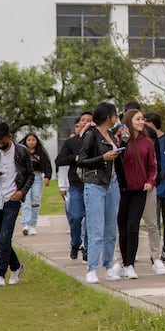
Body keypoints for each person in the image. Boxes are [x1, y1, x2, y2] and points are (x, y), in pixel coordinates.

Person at [0, 122, 35, 286]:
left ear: (10, 137)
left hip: (13, 199)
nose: (0, 145)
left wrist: (22, 192)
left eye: (2, 142)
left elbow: (30, 175)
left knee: (5, 237)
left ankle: (0, 273)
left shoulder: (22, 152)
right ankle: (16, 266)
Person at [78, 101, 124, 284]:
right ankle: (92, 268)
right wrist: (102, 158)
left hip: (112, 183)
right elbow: (81, 160)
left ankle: (108, 265)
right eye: (114, 115)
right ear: (108, 117)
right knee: (96, 229)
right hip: (95, 184)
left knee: (111, 229)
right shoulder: (91, 135)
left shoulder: (111, 135)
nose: (116, 118)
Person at [115, 109, 159, 279]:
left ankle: (130, 265)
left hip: (140, 191)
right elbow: (116, 161)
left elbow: (153, 167)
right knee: (122, 227)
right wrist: (123, 142)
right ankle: (122, 262)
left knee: (133, 226)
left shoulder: (147, 142)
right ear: (128, 121)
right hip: (121, 190)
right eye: (138, 119)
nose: (142, 122)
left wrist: (150, 181)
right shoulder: (119, 141)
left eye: (142, 119)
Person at [55, 111, 92, 261]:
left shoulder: (97, 140)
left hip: (93, 185)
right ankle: (75, 242)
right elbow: (59, 161)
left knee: (90, 220)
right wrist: (74, 158)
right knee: (75, 217)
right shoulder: (71, 142)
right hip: (76, 185)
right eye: (83, 120)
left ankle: (88, 250)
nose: (85, 123)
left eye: (89, 120)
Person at [144, 111, 165, 264]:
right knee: (153, 222)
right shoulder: (146, 142)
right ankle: (155, 252)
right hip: (153, 188)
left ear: (151, 124)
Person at [19, 132, 52, 236]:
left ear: (37, 141)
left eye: (33, 140)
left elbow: (47, 165)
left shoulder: (40, 153)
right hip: (25, 178)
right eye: (29, 140)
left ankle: (33, 225)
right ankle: (25, 224)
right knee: (26, 201)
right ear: (25, 141)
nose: (31, 142)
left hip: (37, 178)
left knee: (35, 202)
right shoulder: (22, 152)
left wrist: (47, 177)